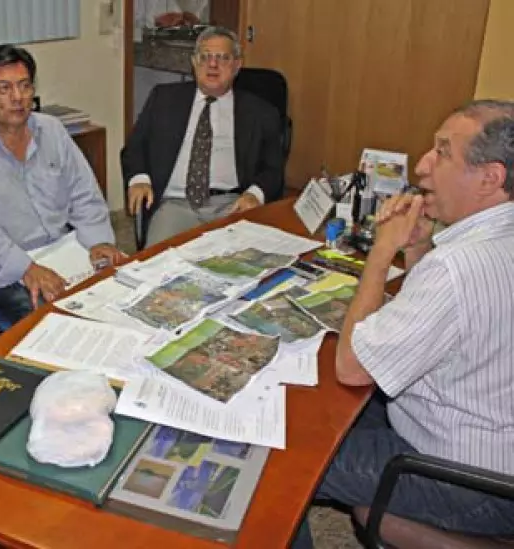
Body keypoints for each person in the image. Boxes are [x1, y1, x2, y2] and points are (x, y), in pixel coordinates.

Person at [294, 99, 514, 547]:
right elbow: (449, 322)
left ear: (490, 178)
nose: (422, 166)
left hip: (465, 481)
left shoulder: (456, 266)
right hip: (492, 449)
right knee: (319, 410)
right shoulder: (490, 243)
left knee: (287, 457)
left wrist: (382, 251)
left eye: (442, 152)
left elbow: (353, 367)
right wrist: (417, 250)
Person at [0, 44, 123, 322]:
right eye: (4, 88)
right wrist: (27, 268)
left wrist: (98, 240)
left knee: (123, 286)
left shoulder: (51, 129)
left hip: (62, 246)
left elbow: (83, 192)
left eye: (24, 86)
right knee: (59, 317)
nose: (17, 97)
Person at [122, 26, 284, 247]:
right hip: (175, 205)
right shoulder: (164, 98)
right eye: (205, 57)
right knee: (159, 262)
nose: (213, 64)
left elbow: (273, 168)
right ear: (194, 62)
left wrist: (254, 195)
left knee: (244, 261)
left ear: (237, 64)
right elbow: (135, 146)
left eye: (222, 57)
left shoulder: (260, 112)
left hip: (232, 204)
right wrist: (139, 180)